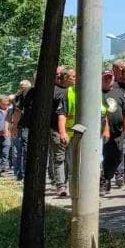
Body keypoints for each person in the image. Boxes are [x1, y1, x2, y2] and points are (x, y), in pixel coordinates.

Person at [50, 68, 71, 198]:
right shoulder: (53, 91)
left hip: (72, 129)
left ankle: (67, 182)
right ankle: (61, 186)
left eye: (60, 74)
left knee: (69, 159)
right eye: (56, 74)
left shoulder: (72, 91)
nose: (58, 76)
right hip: (56, 129)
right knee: (59, 158)